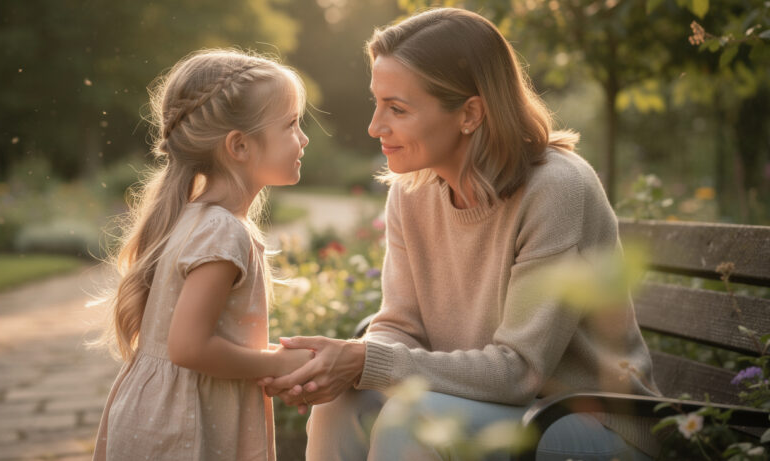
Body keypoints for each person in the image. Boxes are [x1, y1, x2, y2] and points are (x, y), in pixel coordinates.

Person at [260, 8, 660, 460]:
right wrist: (345, 360)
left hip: (589, 422)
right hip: (487, 407)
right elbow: (400, 326)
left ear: (470, 113)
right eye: (378, 103)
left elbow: (520, 372)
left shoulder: (556, 190)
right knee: (340, 402)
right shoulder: (413, 192)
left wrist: (365, 362)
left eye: (397, 108)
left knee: (414, 420)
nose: (375, 126)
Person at [91, 49, 314, 461]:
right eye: (291, 124)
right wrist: (276, 366)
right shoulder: (222, 231)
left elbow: (201, 343)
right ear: (240, 146)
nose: (303, 138)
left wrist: (279, 360)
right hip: (183, 428)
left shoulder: (197, 218)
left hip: (163, 415)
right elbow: (190, 348)